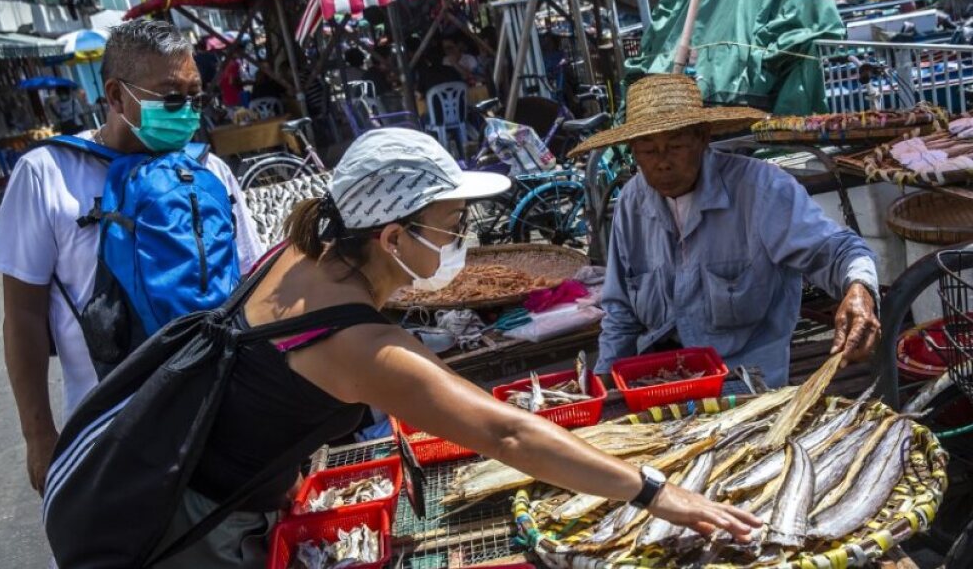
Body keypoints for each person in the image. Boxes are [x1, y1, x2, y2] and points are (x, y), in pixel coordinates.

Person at [148, 128, 760, 567]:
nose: (463, 237)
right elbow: (508, 436)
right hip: (198, 528)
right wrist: (657, 492)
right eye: (452, 225)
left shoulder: (303, 257)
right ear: (391, 237)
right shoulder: (361, 344)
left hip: (197, 478)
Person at [0, 19, 263, 496]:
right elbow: (23, 316)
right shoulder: (46, 174)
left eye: (196, 98)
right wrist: (39, 436)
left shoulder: (209, 170)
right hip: (108, 431)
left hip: (219, 411)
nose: (187, 112)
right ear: (115, 97)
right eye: (171, 97)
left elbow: (252, 287)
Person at [568, 74, 881, 388]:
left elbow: (837, 250)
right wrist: (604, 382)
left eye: (675, 146)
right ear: (633, 152)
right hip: (659, 380)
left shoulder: (761, 188)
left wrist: (859, 289)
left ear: (703, 138)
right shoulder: (632, 202)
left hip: (743, 382)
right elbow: (620, 309)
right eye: (648, 151)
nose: (662, 162)